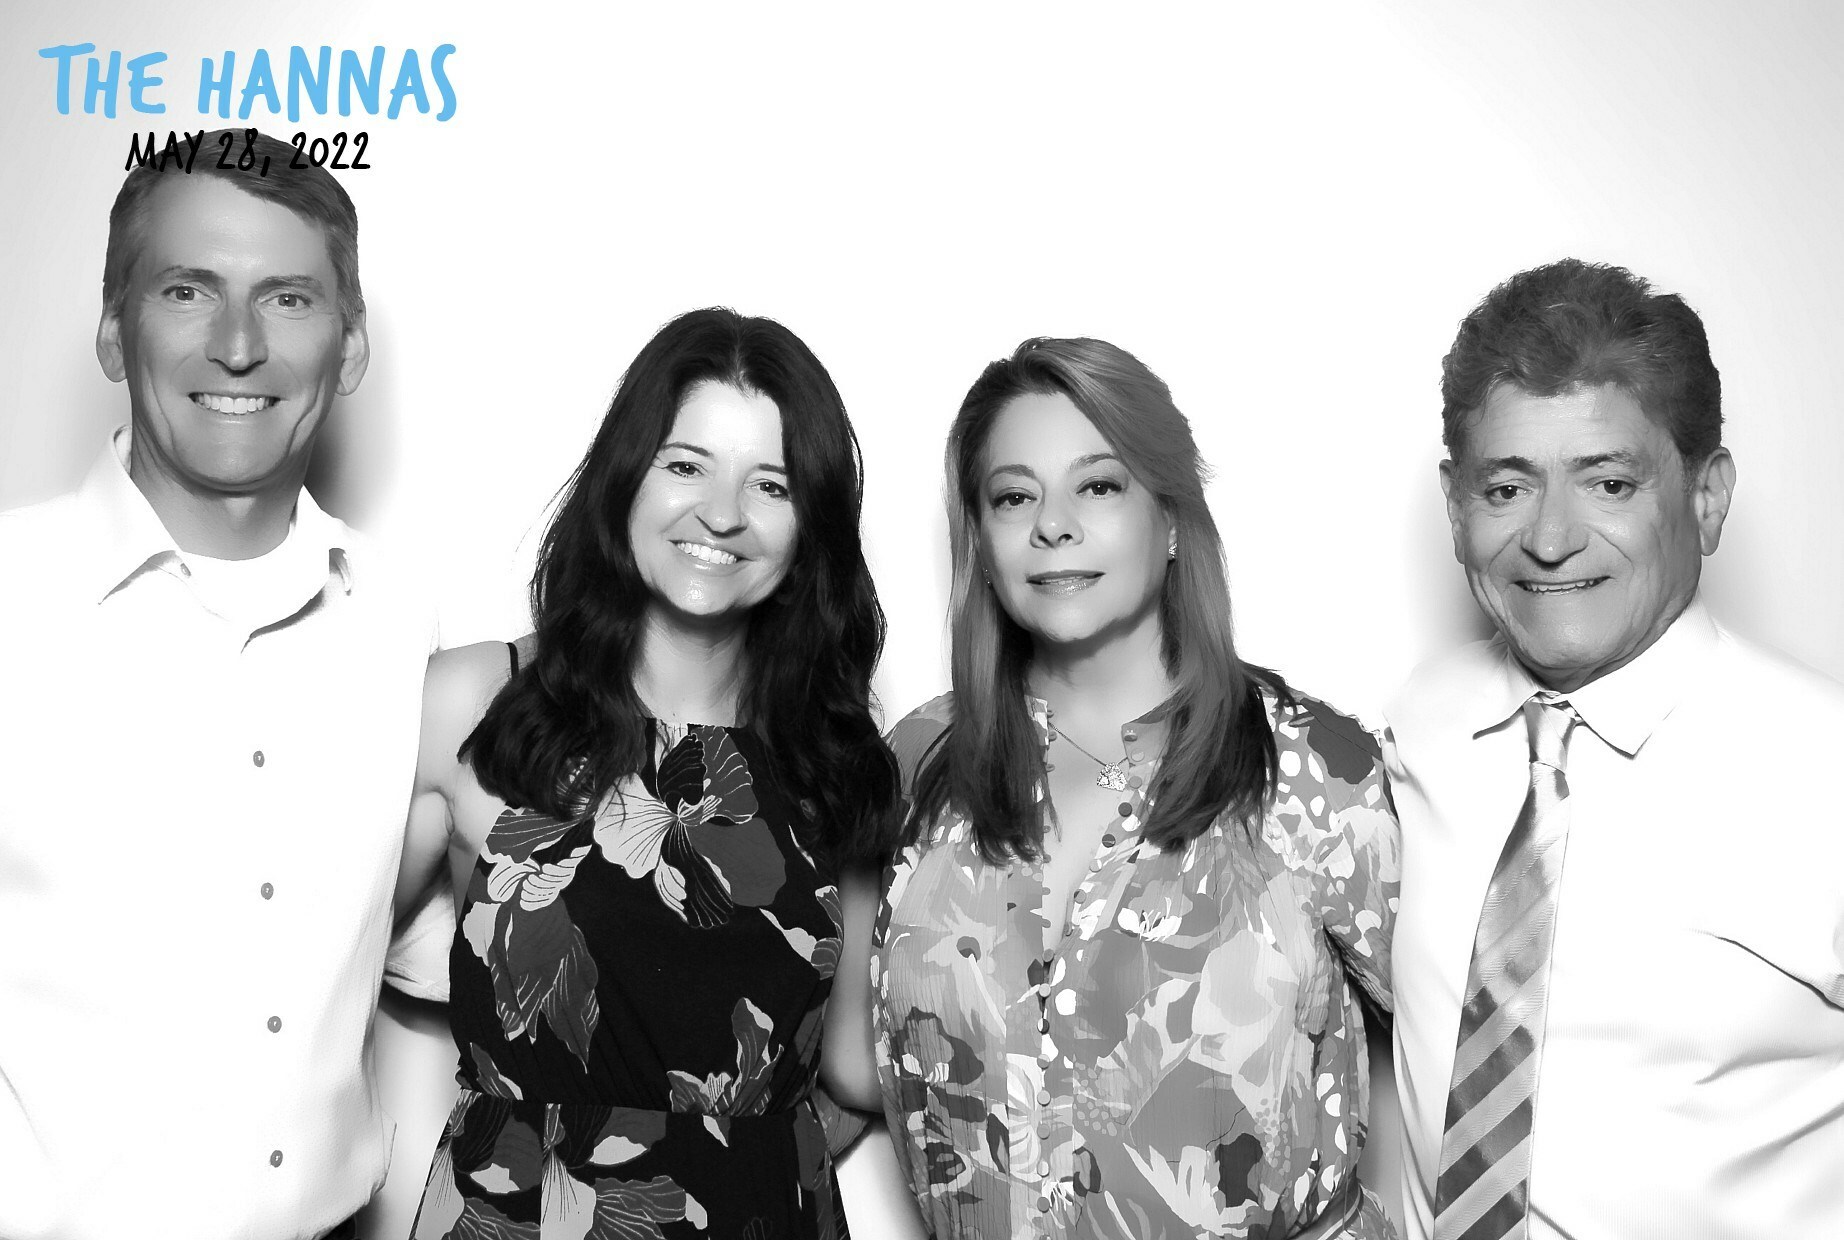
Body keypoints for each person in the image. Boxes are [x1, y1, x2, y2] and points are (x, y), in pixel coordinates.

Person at [861, 338, 1401, 1238]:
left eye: (1099, 486)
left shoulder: (1316, 768)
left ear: (1174, 519)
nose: (1053, 525)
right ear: (982, 541)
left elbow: (1470, 1057)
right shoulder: (921, 759)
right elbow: (852, 1056)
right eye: (1014, 496)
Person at [0, 131, 432, 1238]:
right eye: (188, 290)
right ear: (113, 328)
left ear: (350, 346)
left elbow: (439, 950)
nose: (239, 347)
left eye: (287, 299)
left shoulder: (402, 627)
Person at [399, 308, 898, 1239]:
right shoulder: (475, 700)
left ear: (811, 528)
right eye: (685, 465)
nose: (723, 513)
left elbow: (855, 1071)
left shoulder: (831, 760)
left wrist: (747, 1150)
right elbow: (307, 981)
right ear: (623, 478)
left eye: (772, 485)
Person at [1385, 259, 1844, 1240]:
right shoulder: (1419, 726)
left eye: (1608, 482)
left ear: (1706, 496)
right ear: (1455, 506)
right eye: (1506, 486)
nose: (1550, 538)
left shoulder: (1828, 772)